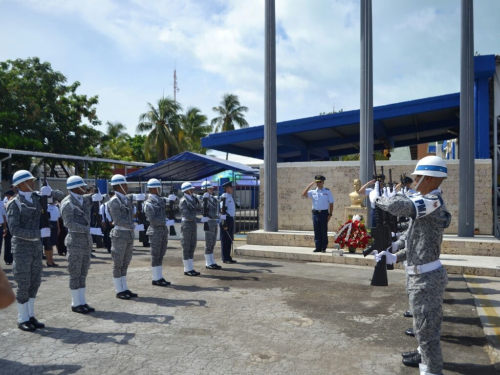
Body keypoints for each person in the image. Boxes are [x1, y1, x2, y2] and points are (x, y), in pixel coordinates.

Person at [369, 156, 450, 375]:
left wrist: (377, 199)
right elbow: (416, 242)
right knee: (423, 327)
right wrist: (394, 256)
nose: (414, 182)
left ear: (430, 178)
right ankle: (423, 356)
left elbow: (398, 205)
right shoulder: (427, 202)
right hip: (421, 277)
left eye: (417, 178)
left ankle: (431, 370)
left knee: (427, 333)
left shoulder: (432, 201)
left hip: (426, 280)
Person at [6, 170, 65, 331]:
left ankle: (30, 315)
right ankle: (22, 318)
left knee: (35, 281)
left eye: (32, 181)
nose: (32, 183)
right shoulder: (14, 204)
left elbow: (61, 196)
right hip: (22, 247)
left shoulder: (37, 198)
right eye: (29, 181)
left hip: (35, 246)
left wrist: (50, 192)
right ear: (19, 185)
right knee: (24, 282)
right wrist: (37, 233)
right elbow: (14, 229)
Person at [60, 176, 103, 314]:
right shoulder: (67, 203)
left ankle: (82, 301)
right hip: (75, 241)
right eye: (82, 187)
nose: (84, 189)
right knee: (75, 272)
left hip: (85, 241)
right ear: (74, 188)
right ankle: (75, 303)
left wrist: (98, 195)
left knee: (83, 272)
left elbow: (96, 197)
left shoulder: (82, 198)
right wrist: (88, 229)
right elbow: (69, 223)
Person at [107, 174, 145, 300]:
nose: (127, 187)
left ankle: (124, 287)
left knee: (125, 262)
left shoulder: (125, 199)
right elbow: (118, 220)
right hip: (120, 234)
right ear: (118, 186)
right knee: (118, 263)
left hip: (128, 234)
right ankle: (119, 290)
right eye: (124, 185)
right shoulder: (113, 201)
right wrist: (133, 226)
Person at [144, 178, 171, 287]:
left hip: (163, 230)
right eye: (158, 187)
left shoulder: (160, 200)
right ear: (154, 189)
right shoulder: (149, 203)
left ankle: (160, 276)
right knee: (155, 255)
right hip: (155, 231)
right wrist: (165, 221)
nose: (160, 189)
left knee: (161, 254)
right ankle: (155, 278)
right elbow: (152, 220)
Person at [301, 175, 334, 253]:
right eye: (317, 182)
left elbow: (331, 203)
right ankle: (318, 247)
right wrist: (310, 185)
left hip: (324, 213)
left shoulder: (327, 191)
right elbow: (303, 194)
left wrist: (330, 214)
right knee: (317, 231)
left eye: (320, 182)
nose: (318, 183)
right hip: (315, 214)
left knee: (323, 231)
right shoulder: (313, 191)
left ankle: (323, 247)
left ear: (323, 182)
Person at [179, 182, 200, 276]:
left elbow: (199, 207)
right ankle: (186, 269)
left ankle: (191, 268)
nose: (193, 190)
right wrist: (199, 219)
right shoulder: (183, 201)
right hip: (186, 225)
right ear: (186, 190)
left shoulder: (193, 199)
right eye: (191, 189)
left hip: (192, 224)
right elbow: (187, 215)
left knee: (192, 246)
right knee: (186, 246)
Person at [201, 181, 222, 270]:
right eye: (210, 188)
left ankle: (212, 261)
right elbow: (203, 211)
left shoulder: (212, 198)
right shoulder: (204, 199)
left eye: (211, 188)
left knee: (213, 243)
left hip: (214, 222)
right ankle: (208, 262)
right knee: (208, 243)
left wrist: (219, 215)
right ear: (205, 189)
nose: (212, 189)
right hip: (209, 222)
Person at [219, 181, 236, 264]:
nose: (231, 188)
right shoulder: (224, 196)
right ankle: (225, 258)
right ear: (226, 188)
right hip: (226, 219)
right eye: (230, 187)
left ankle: (228, 257)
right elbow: (222, 210)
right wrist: (223, 221)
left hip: (230, 219)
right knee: (225, 239)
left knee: (229, 239)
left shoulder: (230, 196)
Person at [45, 199, 61, 267]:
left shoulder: (56, 207)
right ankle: (48, 261)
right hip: (48, 224)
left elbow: (57, 219)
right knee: (47, 244)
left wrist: (58, 228)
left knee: (52, 244)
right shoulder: (46, 206)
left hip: (54, 225)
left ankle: (51, 260)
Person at [3, 190, 16, 265]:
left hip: (14, 224)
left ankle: (13, 258)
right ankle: (8, 259)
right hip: (8, 224)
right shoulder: (5, 203)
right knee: (8, 243)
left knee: (14, 242)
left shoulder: (15, 202)